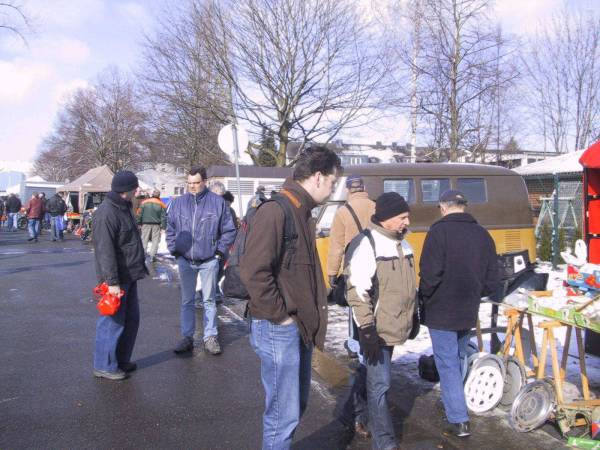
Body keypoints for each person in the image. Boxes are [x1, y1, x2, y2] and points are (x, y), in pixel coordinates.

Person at [240, 145, 342, 450]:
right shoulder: (277, 210)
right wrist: (282, 317)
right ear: (319, 176)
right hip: (279, 327)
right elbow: (254, 271)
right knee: (282, 415)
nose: (334, 187)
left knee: (293, 407)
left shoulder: (300, 210)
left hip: (294, 326)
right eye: (333, 181)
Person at [419, 189, 500, 437]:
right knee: (459, 355)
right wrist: (475, 292)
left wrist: (424, 295)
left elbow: (430, 274)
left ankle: (458, 417)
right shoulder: (483, 235)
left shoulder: (437, 232)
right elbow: (492, 278)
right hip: (468, 307)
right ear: (463, 207)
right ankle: (456, 400)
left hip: (441, 308)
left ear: (444, 207)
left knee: (448, 361)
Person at [345, 192, 416, 450]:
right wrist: (366, 329)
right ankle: (384, 443)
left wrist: (414, 314)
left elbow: (408, 286)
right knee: (381, 383)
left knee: (374, 377)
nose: (406, 222)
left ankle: (356, 414)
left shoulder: (404, 244)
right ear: (385, 218)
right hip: (375, 329)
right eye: (401, 217)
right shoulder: (367, 244)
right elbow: (357, 290)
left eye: (407, 216)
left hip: (395, 324)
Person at [166, 166, 236, 355]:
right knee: (187, 300)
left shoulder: (217, 203)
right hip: (185, 259)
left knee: (209, 300)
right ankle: (187, 337)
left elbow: (229, 230)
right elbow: (170, 227)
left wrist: (219, 252)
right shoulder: (179, 203)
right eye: (189, 183)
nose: (192, 187)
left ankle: (210, 336)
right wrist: (174, 249)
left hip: (209, 259)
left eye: (196, 183)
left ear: (204, 181)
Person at [327, 175, 375, 437]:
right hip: (378, 276)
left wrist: (332, 274)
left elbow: (336, 246)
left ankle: (359, 353)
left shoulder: (343, 212)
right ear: (364, 190)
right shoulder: (377, 207)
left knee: (357, 319)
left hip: (354, 274)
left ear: (349, 190)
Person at [92, 171, 148, 380]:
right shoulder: (107, 213)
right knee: (112, 323)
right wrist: (112, 282)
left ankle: (120, 360)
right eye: (135, 187)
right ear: (127, 190)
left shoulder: (124, 208)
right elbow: (105, 251)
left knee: (130, 320)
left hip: (130, 275)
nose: (138, 190)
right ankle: (104, 365)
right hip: (117, 279)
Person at [137, 189, 167, 261]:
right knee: (155, 241)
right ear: (159, 195)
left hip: (145, 224)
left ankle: (142, 255)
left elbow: (139, 213)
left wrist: (139, 223)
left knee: (144, 239)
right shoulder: (161, 204)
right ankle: (152, 256)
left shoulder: (144, 202)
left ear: (152, 194)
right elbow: (163, 217)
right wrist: (163, 227)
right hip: (156, 225)